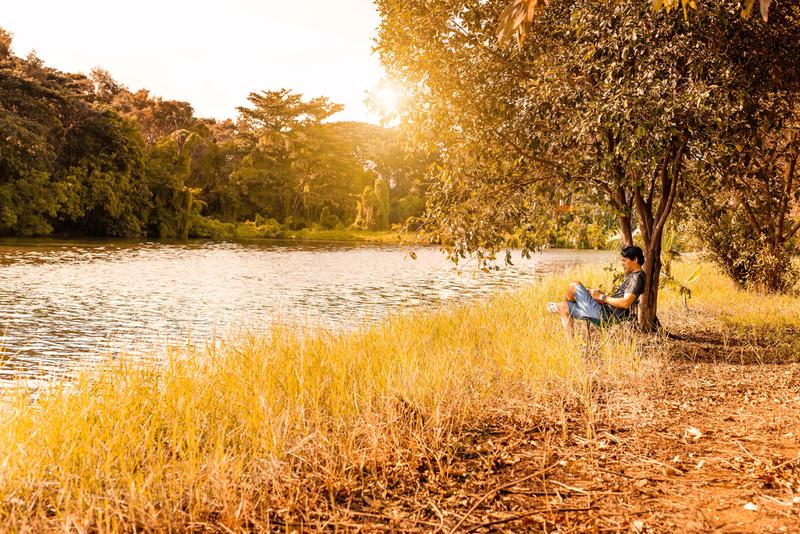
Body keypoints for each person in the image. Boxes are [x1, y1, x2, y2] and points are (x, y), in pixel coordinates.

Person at [546, 246, 646, 336]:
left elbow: (625, 303)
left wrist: (602, 297)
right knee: (563, 306)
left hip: (604, 315)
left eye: (624, 260)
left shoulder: (636, 278)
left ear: (635, 260)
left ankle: (570, 303)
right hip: (605, 313)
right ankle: (569, 346)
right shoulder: (636, 276)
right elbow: (622, 300)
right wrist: (600, 296)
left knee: (574, 285)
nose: (622, 263)